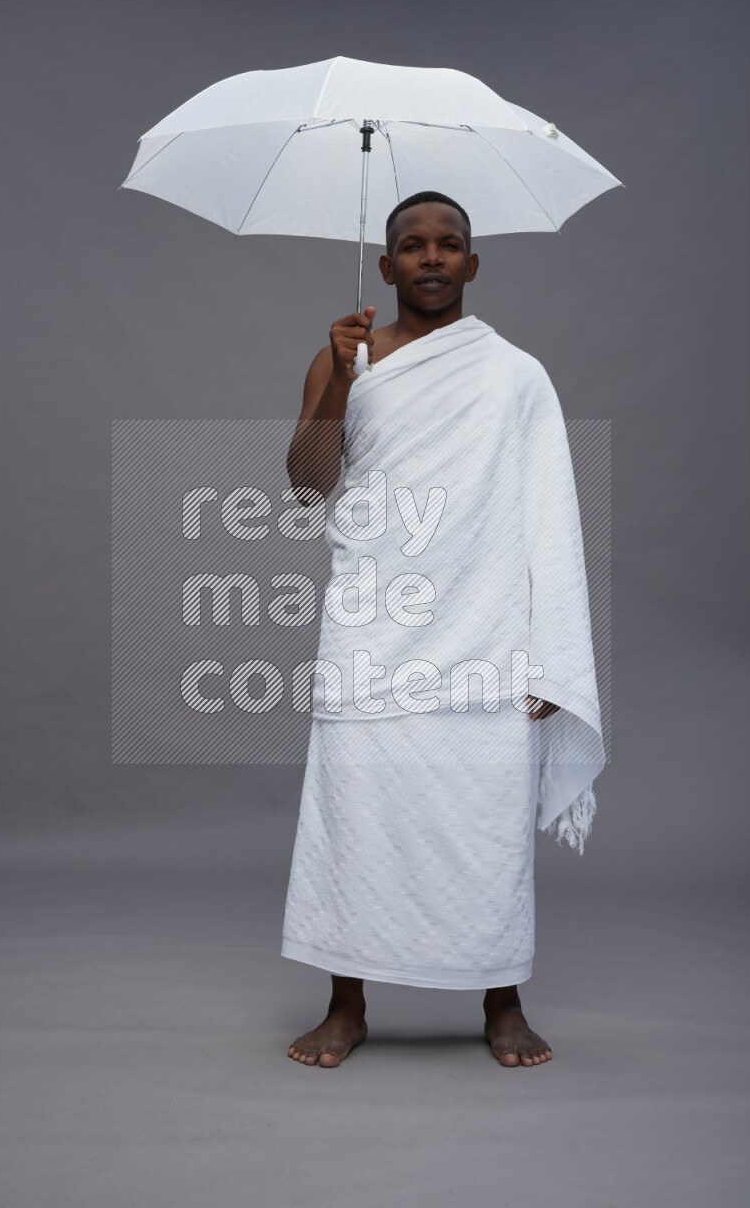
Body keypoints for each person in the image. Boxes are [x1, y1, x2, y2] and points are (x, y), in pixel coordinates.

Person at [281, 191, 604, 1068]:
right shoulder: (344, 360)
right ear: (384, 268)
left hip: (483, 627)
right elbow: (310, 483)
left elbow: (549, 516)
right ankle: (346, 1004)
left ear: (472, 263)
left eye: (449, 244)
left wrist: (548, 652)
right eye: (412, 246)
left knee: (481, 813)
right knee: (355, 810)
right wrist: (343, 379)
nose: (431, 257)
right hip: (372, 624)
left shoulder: (516, 375)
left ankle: (502, 998)